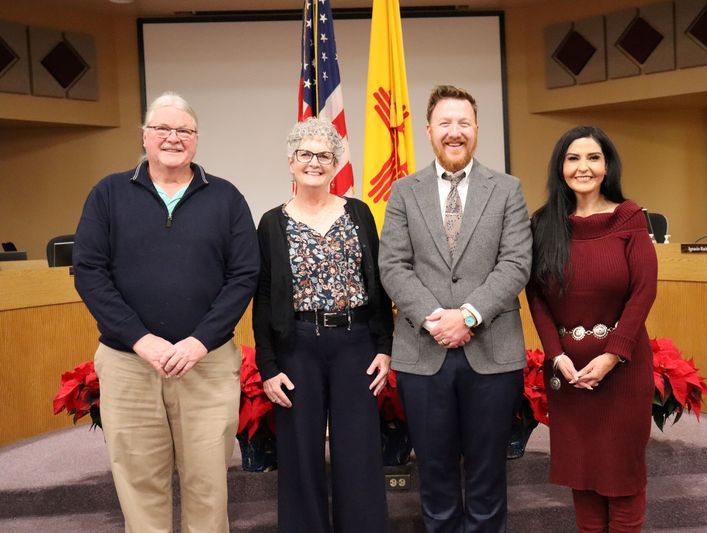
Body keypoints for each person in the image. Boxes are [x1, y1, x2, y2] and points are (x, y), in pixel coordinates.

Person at [73, 92, 260, 532]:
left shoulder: (226, 198)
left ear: (196, 140)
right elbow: (90, 272)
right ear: (145, 136)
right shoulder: (108, 194)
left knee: (208, 485)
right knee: (140, 484)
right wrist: (141, 339)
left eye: (184, 131)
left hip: (207, 365)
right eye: (163, 128)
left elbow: (244, 276)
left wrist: (199, 341)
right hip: (128, 364)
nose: (173, 138)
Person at [379, 85, 532, 532]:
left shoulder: (506, 189)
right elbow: (392, 265)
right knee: (436, 476)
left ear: (477, 130)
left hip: (492, 352)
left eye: (464, 123)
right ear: (428, 131)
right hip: (423, 355)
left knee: (487, 477)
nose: (455, 132)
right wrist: (435, 318)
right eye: (445, 123)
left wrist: (466, 315)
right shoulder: (404, 191)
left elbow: (517, 262)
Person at [253, 117, 393, 533]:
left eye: (324, 156)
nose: (315, 162)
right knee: (299, 456)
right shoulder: (271, 222)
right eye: (306, 155)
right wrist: (267, 365)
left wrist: (385, 345)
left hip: (356, 344)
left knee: (359, 454)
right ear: (291, 162)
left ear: (336, 165)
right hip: (297, 346)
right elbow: (262, 297)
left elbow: (379, 283)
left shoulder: (359, 213)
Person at [526, 126, 658, 533]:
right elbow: (537, 297)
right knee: (582, 477)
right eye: (573, 158)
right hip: (568, 371)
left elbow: (644, 292)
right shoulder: (543, 223)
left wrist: (612, 354)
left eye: (593, 158)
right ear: (560, 167)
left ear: (607, 166)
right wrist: (556, 354)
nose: (583, 167)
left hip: (622, 367)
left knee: (622, 478)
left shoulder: (629, 217)